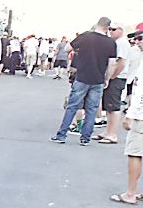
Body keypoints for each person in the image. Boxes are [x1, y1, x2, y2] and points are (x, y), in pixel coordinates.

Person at [50, 17, 118, 146]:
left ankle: (61, 135)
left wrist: (78, 51)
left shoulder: (85, 36)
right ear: (107, 28)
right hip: (98, 79)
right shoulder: (111, 42)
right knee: (92, 109)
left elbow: (67, 48)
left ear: (97, 24)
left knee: (72, 106)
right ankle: (85, 138)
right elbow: (112, 63)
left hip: (82, 77)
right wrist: (107, 78)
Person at [111, 26, 143, 204]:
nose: (136, 42)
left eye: (140, 38)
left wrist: (131, 114)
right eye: (136, 39)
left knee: (135, 153)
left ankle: (130, 193)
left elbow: (141, 93)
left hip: (140, 115)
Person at [93, 23, 130, 144]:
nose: (110, 31)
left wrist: (111, 77)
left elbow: (121, 63)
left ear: (120, 30)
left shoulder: (122, 43)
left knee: (113, 107)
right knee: (108, 107)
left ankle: (112, 134)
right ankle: (107, 132)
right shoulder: (116, 42)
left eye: (113, 29)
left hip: (117, 77)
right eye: (109, 29)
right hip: (114, 77)